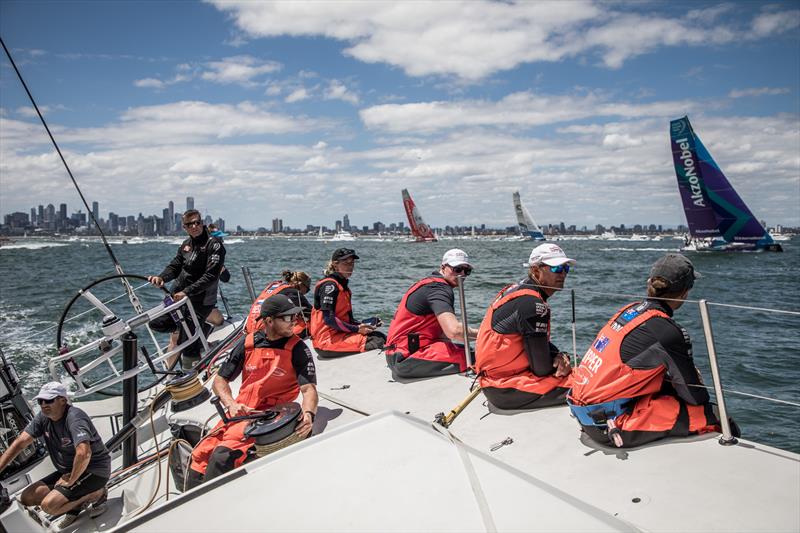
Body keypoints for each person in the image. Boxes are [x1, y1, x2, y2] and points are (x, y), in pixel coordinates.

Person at [568, 254, 727, 448]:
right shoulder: (667, 330)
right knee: (716, 417)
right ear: (685, 293)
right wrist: (692, 378)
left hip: (587, 414)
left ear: (648, 283)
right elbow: (695, 397)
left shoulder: (629, 310)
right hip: (610, 425)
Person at [186, 294, 318, 488]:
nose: (294, 322)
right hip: (240, 411)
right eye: (288, 318)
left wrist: (308, 415)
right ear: (269, 321)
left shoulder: (298, 348)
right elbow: (220, 380)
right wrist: (230, 404)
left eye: (295, 317)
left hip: (267, 415)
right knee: (198, 456)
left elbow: (309, 390)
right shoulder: (248, 343)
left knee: (222, 456)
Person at [474, 244, 575, 410]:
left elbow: (532, 340)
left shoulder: (515, 290)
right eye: (556, 268)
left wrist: (559, 355)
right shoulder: (532, 303)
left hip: (495, 383)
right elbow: (541, 369)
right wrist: (562, 363)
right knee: (587, 386)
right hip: (507, 388)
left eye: (566, 268)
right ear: (536, 271)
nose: (563, 273)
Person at [0, 382, 109, 527]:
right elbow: (20, 443)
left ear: (63, 400)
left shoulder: (75, 418)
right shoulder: (43, 418)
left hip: (94, 471)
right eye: (41, 401)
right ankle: (75, 502)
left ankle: (96, 493)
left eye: (49, 400)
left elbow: (84, 453)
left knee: (49, 506)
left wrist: (71, 480)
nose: (44, 404)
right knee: (27, 497)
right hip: (69, 471)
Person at [148, 209, 226, 367]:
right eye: (190, 224)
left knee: (188, 343)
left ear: (202, 223)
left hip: (199, 301)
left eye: (197, 222)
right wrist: (162, 277)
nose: (195, 226)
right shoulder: (186, 245)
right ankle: (198, 329)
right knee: (156, 323)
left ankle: (191, 379)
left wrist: (187, 292)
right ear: (185, 227)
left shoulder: (214, 244)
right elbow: (175, 266)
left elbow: (211, 276)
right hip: (177, 297)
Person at [385, 249, 479, 379]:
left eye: (466, 271)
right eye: (457, 269)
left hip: (399, 354)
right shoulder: (438, 289)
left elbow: (443, 335)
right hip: (406, 359)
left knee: (472, 351)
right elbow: (454, 331)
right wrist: (486, 335)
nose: (462, 274)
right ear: (443, 267)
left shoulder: (431, 284)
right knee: (484, 357)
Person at [310, 248, 385, 358]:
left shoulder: (343, 287)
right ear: (335, 265)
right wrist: (357, 329)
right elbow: (329, 320)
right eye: (346, 263)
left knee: (377, 335)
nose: (350, 267)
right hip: (325, 342)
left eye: (352, 263)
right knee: (378, 340)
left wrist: (365, 324)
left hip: (339, 334)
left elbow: (347, 320)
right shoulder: (330, 286)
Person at [245, 270, 313, 338]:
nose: (307, 291)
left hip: (251, 325)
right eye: (307, 289)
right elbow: (312, 313)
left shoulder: (275, 286)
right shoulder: (293, 293)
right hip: (264, 329)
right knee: (308, 324)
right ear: (300, 284)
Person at [205, 224, 231, 328]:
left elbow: (225, 277)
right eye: (219, 239)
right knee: (218, 320)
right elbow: (226, 277)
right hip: (200, 303)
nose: (222, 241)